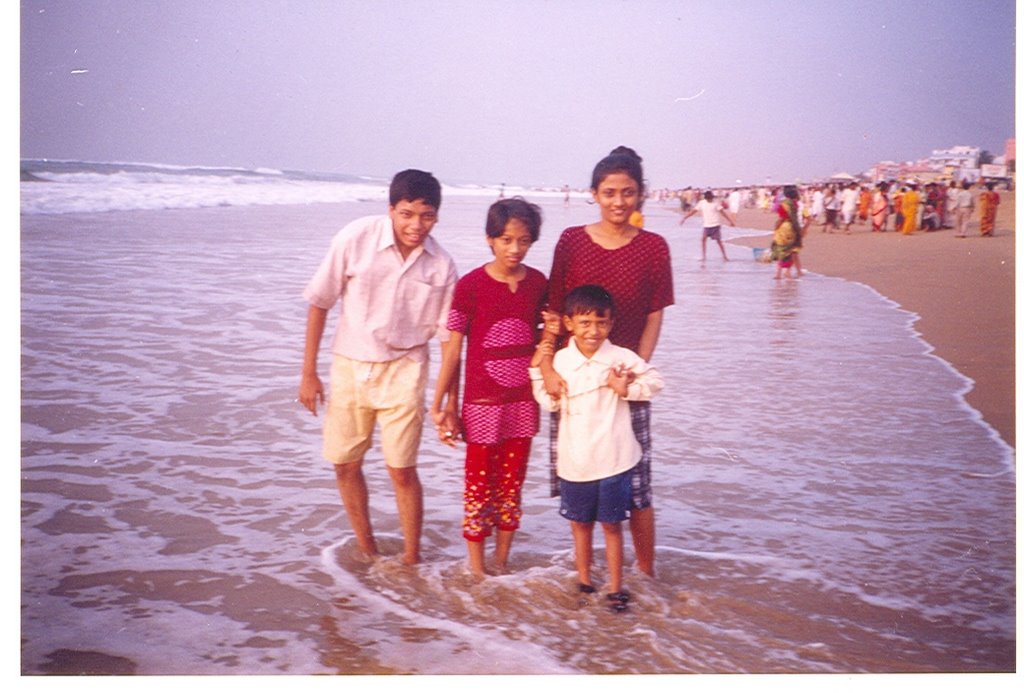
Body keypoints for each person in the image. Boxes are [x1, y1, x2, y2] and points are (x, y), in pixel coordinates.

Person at [299, 169, 458, 566]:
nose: (415, 225)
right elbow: (320, 301)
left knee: (401, 469)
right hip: (351, 365)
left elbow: (450, 341)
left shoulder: (442, 266)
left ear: (436, 216)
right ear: (391, 209)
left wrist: (448, 401)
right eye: (406, 214)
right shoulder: (356, 238)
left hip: (406, 369)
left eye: (426, 216)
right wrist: (308, 372)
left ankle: (411, 559)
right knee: (345, 464)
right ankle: (368, 550)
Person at [539, 147, 674, 578]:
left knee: (636, 482)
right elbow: (554, 311)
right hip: (574, 378)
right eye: (610, 192)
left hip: (624, 379)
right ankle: (586, 574)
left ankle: (646, 573)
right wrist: (545, 366)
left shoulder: (653, 246)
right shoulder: (571, 241)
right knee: (580, 475)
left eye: (629, 193)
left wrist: (634, 371)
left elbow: (655, 314)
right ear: (594, 193)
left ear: (640, 195)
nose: (619, 202)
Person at [430, 198, 550, 578]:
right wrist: (440, 404)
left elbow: (549, 335)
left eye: (524, 240)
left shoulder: (538, 284)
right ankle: (478, 571)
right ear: (489, 239)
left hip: (523, 403)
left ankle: (502, 562)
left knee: (512, 486)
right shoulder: (470, 286)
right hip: (480, 404)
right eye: (505, 239)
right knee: (478, 485)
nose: (514, 248)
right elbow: (452, 350)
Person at [530, 285, 664, 611]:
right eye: (585, 323)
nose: (593, 330)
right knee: (580, 525)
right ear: (570, 323)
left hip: (616, 459)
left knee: (612, 526)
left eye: (601, 323)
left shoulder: (621, 358)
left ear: (611, 324)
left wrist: (627, 386)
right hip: (575, 462)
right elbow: (545, 398)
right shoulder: (560, 361)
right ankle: (585, 581)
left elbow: (655, 382)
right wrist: (542, 372)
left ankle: (616, 588)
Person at [681, 189, 735, 262]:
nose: (710, 199)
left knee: (719, 241)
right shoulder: (702, 203)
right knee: (703, 240)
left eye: (711, 198)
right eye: (708, 198)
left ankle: (725, 256)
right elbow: (693, 211)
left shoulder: (716, 203)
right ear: (706, 198)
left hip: (716, 224)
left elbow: (723, 213)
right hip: (707, 225)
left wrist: (730, 221)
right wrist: (685, 218)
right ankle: (703, 257)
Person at [771, 185, 802, 279]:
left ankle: (778, 273)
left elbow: (782, 218)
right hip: (793, 227)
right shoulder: (795, 204)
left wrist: (776, 227)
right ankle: (788, 271)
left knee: (780, 249)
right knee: (790, 249)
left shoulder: (784, 204)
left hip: (784, 228)